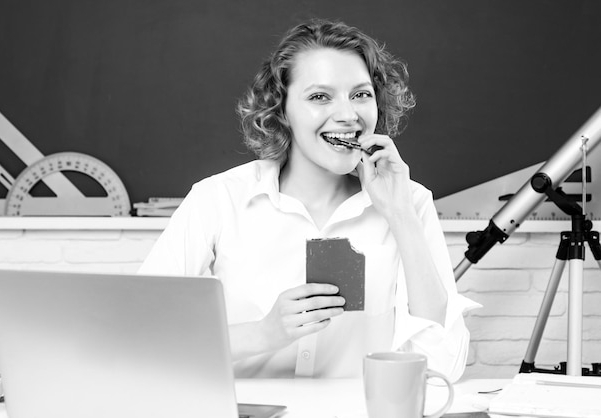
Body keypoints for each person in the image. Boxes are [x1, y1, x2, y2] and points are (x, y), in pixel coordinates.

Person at [139, 18, 479, 381]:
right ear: (281, 109)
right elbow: (140, 336)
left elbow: (442, 368)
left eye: (361, 94)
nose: (348, 115)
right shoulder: (218, 199)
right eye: (320, 96)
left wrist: (401, 216)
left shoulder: (409, 201)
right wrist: (263, 333)